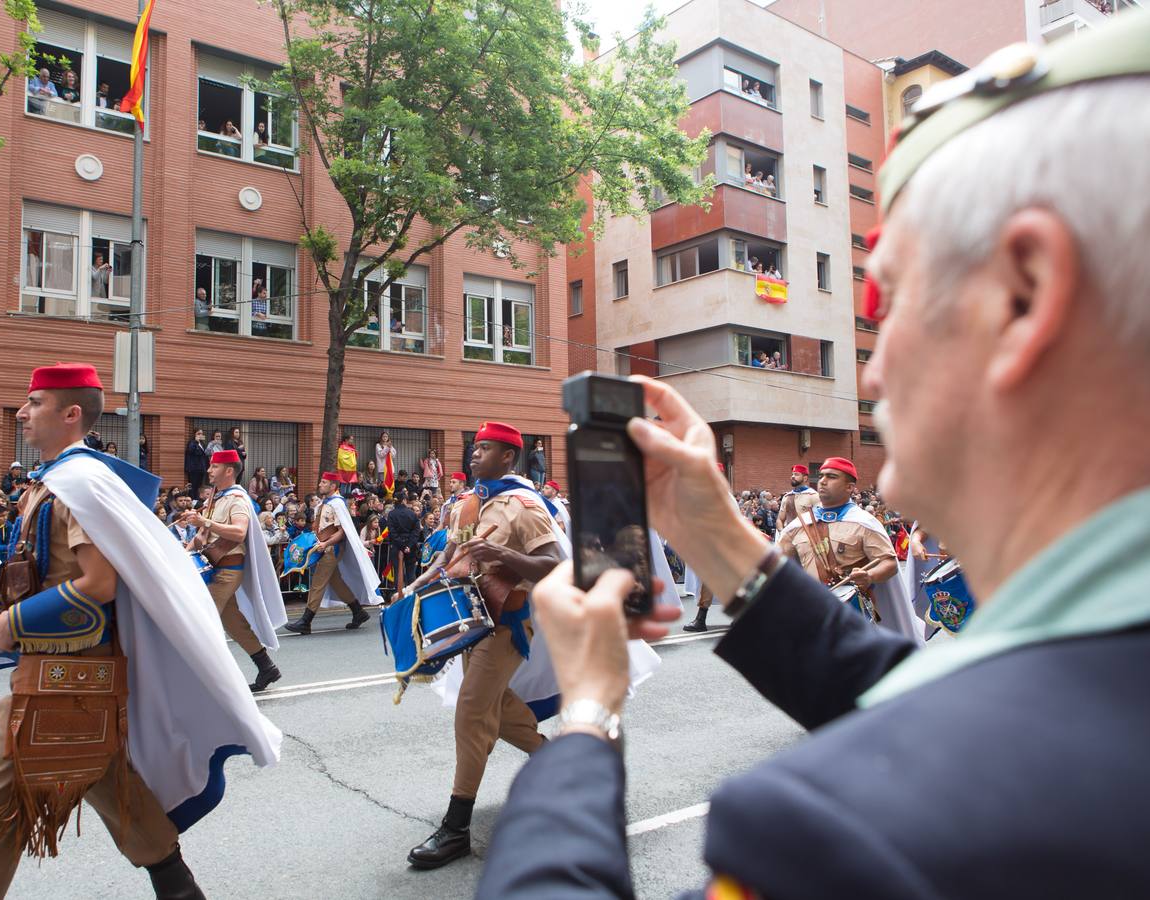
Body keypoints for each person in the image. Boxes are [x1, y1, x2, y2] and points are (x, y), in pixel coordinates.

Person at [477, 22, 1150, 897]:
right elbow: (922, 697)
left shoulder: (851, 833)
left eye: (890, 301)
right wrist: (716, 539)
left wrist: (590, 711)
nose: (871, 368)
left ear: (1021, 297)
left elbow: (960, 737)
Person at [0, 363, 281, 898]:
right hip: (59, 677)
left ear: (71, 414)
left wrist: (12, 624)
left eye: (35, 403)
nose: (22, 412)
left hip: (63, 680)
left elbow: (98, 585)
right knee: (109, 780)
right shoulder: (49, 486)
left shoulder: (80, 486)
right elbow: (12, 579)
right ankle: (177, 885)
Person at [398, 422, 573, 869]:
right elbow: (449, 556)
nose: (474, 454)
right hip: (471, 620)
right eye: (474, 448)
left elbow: (554, 563)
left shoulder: (525, 504)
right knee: (495, 705)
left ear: (508, 457)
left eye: (486, 448)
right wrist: (412, 587)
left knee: (472, 710)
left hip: (509, 622)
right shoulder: (469, 501)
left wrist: (504, 556)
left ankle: (456, 828)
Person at [776, 456, 920, 641]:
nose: (823, 481)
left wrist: (869, 576)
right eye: (821, 476)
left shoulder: (864, 522)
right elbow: (777, 564)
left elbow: (889, 563)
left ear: (850, 487)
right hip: (812, 610)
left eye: (832, 476)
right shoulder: (798, 526)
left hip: (854, 614)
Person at [180, 449, 286, 693]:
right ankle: (267, 667)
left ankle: (207, 682)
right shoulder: (216, 497)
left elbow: (239, 532)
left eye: (214, 467)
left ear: (228, 471)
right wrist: (185, 552)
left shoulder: (237, 498)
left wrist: (204, 522)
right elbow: (202, 536)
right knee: (233, 623)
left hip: (227, 570)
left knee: (201, 622)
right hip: (214, 568)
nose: (208, 471)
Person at [282, 471, 379, 635]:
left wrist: (326, 543)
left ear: (333, 486)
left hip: (331, 549)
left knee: (317, 582)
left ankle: (306, 621)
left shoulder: (337, 504)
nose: (320, 485)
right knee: (336, 582)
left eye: (324, 482)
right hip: (322, 547)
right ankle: (358, 611)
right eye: (321, 482)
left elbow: (342, 531)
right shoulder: (322, 504)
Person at [776, 463, 818, 530]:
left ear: (805, 478)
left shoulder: (813, 496)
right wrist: (782, 532)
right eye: (792, 474)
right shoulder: (787, 497)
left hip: (806, 537)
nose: (792, 476)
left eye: (796, 474)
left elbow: (820, 521)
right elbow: (780, 519)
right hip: (789, 537)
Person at [184, 428, 208, 494]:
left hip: (201, 468)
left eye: (201, 434)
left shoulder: (202, 444)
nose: (200, 435)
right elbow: (191, 451)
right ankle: (192, 499)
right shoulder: (192, 442)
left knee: (199, 486)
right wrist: (196, 441)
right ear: (195, 434)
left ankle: (197, 500)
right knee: (193, 486)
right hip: (194, 468)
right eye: (198, 433)